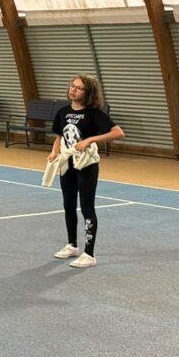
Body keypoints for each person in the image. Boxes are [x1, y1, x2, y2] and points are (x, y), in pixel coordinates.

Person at [46, 75, 125, 268]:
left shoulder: (94, 114)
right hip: (67, 165)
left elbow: (118, 132)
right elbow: (59, 136)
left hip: (86, 166)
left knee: (87, 207)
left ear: (88, 93)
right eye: (72, 86)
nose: (73, 90)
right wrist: (54, 152)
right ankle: (72, 245)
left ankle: (89, 254)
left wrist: (90, 140)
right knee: (68, 205)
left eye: (78, 88)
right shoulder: (63, 112)